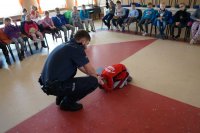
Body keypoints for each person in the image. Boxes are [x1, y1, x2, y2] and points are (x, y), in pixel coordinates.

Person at [39, 30, 103, 111]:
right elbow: (90, 70)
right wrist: (97, 79)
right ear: (83, 41)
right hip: (54, 86)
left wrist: (94, 74)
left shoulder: (67, 45)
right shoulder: (76, 48)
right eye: (86, 44)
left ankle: (61, 97)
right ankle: (67, 103)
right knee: (93, 82)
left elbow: (81, 67)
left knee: (73, 75)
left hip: (47, 83)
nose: (86, 47)